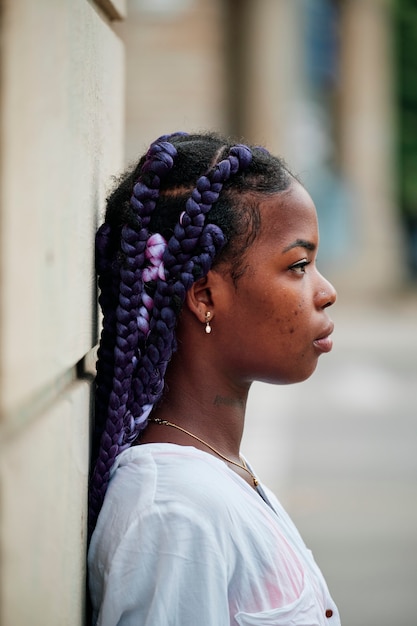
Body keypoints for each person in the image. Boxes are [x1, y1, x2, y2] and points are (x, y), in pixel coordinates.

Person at [88, 131, 340, 626]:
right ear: (204, 296)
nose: (326, 291)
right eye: (298, 265)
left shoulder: (213, 472)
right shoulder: (176, 511)